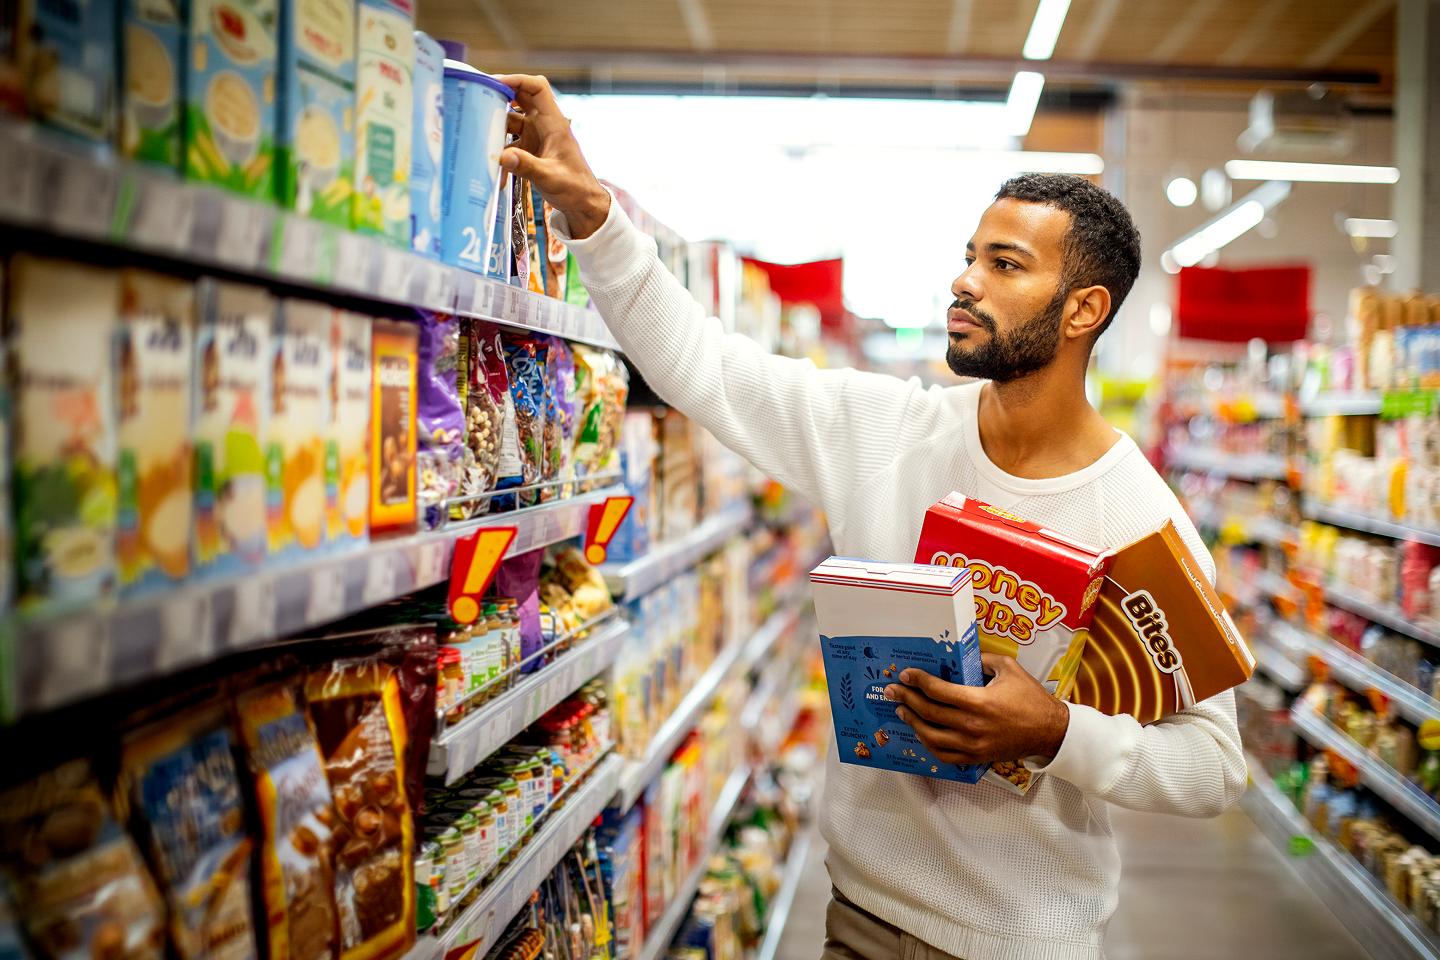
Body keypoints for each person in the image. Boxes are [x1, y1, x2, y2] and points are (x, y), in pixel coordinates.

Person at [494, 74, 1245, 960]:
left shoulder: (1136, 516)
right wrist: (596, 216)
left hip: (1024, 939)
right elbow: (704, 366)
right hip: (861, 917)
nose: (964, 283)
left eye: (1005, 265)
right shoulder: (889, 431)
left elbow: (1215, 767)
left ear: (1084, 310)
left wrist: (1056, 731)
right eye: (970, 255)